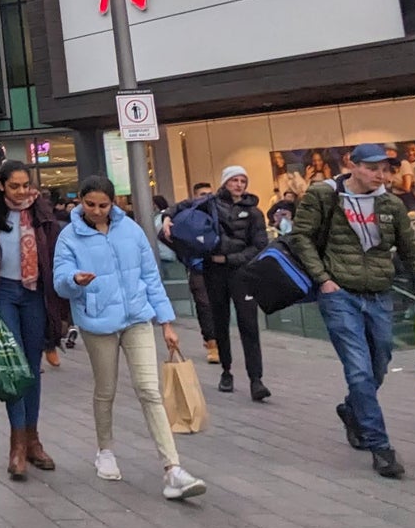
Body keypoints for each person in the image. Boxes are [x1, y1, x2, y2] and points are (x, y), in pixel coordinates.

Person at [292, 143, 415, 480]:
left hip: (378, 292)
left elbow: (411, 251)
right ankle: (380, 446)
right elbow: (300, 238)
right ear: (353, 166)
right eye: (373, 168)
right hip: (340, 293)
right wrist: (324, 280)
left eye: (386, 169)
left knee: (380, 362)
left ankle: (352, 409)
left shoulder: (390, 204)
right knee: (359, 369)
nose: (381, 175)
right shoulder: (324, 195)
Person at [55, 177, 208, 502]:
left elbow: (150, 276)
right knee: (106, 389)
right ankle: (105, 450)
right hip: (97, 321)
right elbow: (60, 281)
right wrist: (74, 280)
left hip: (137, 317)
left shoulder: (132, 230)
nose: (96, 211)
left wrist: (166, 321)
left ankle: (172, 468)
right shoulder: (68, 236)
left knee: (150, 391)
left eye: (103, 205)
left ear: (114, 203)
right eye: (90, 204)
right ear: (80, 201)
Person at [0, 161, 62, 480]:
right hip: (3, 292)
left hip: (35, 294)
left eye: (26, 185)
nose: (22, 192)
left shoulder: (42, 213)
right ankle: (17, 445)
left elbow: (56, 253)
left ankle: (33, 441)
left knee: (32, 369)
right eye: (15, 186)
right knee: (12, 367)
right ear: (2, 186)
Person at [172, 169, 270, 400]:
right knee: (220, 320)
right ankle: (226, 371)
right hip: (214, 272)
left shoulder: (254, 213)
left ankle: (256, 379)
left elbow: (259, 245)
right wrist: (167, 218)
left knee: (249, 325)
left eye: (243, 180)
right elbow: (179, 208)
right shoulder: (210, 204)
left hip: (242, 273)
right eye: (234, 180)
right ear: (225, 182)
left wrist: (229, 259)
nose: (238, 184)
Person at [171, 182, 220, 364]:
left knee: (218, 306)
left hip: (218, 267)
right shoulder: (187, 216)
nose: (206, 197)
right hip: (197, 268)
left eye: (209, 193)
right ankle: (212, 343)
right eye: (201, 194)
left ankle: (219, 341)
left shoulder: (218, 214)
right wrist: (187, 257)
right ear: (194, 196)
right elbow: (168, 235)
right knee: (204, 306)